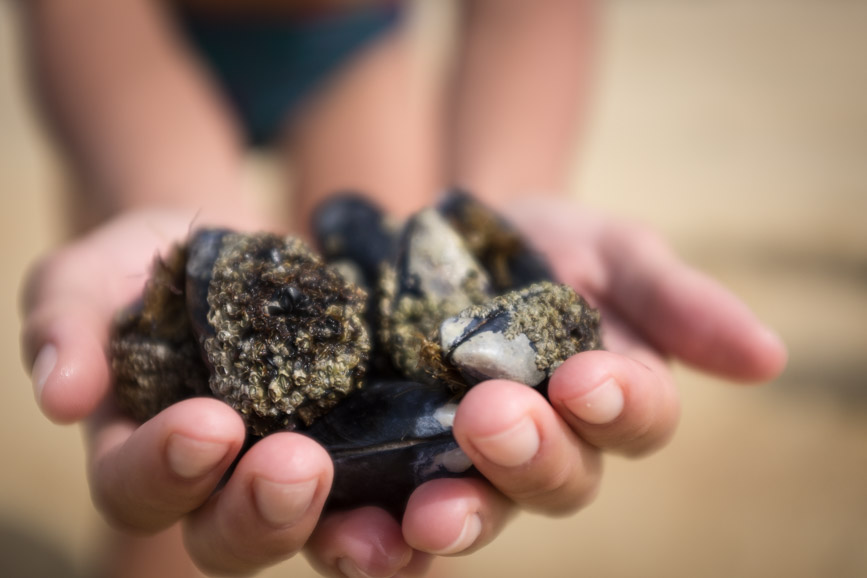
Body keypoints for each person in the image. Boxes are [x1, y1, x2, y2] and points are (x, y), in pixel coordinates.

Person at [16, 0, 787, 577]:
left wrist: (500, 211)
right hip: (124, 48)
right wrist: (168, 199)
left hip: (351, 41)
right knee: (162, 521)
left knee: (411, 528)